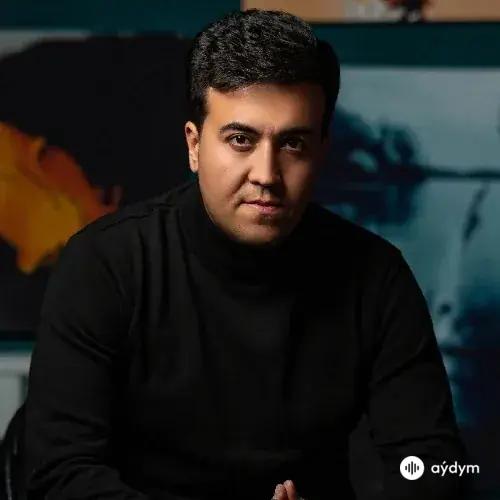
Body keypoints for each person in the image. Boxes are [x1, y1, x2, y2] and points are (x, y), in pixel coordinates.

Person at [24, 8, 467, 500]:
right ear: (194, 145)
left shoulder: (376, 276)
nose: (266, 175)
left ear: (322, 150)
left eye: (293, 144)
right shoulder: (105, 263)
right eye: (241, 140)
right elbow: (56, 472)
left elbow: (438, 466)